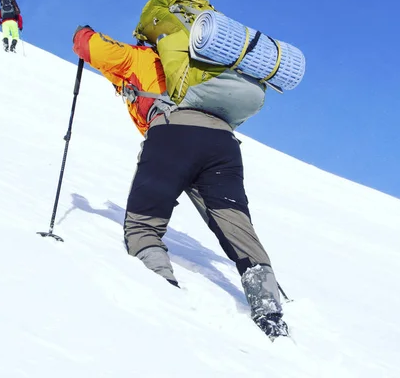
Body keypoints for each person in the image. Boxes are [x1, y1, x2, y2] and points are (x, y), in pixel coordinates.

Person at [73, 25, 289, 340]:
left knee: (143, 227)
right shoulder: (208, 67)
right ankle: (271, 314)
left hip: (172, 135)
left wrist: (84, 32)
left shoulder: (138, 56)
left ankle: (164, 295)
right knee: (237, 230)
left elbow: (88, 46)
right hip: (223, 144)